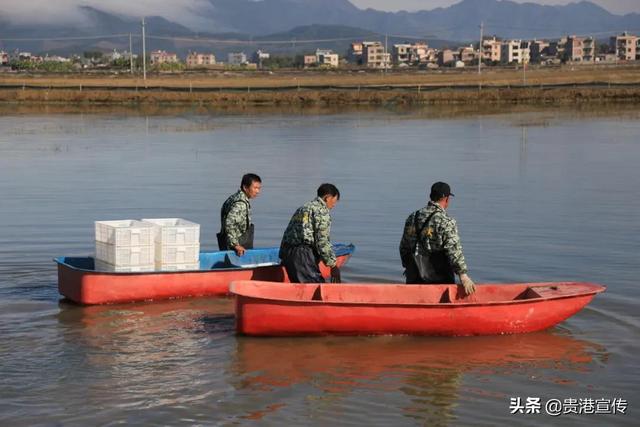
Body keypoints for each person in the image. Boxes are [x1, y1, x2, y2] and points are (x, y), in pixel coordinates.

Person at [399, 181, 476, 295]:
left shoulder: (412, 217)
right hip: (438, 280)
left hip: (414, 277)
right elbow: (453, 250)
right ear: (446, 199)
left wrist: (408, 267)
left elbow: (404, 247)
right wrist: (463, 275)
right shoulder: (446, 221)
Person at [279, 183, 342, 283]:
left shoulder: (303, 208)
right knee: (315, 288)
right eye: (334, 200)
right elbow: (322, 241)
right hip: (303, 255)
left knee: (300, 289)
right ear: (328, 197)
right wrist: (333, 265)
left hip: (289, 253)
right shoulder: (322, 212)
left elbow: (288, 233)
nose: (334, 204)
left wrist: (282, 255)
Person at [217, 173, 262, 256]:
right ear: (245, 187)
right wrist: (235, 245)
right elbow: (229, 223)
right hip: (235, 246)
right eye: (255, 188)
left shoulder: (234, 197)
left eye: (259, 188)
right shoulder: (240, 203)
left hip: (228, 241)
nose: (258, 191)